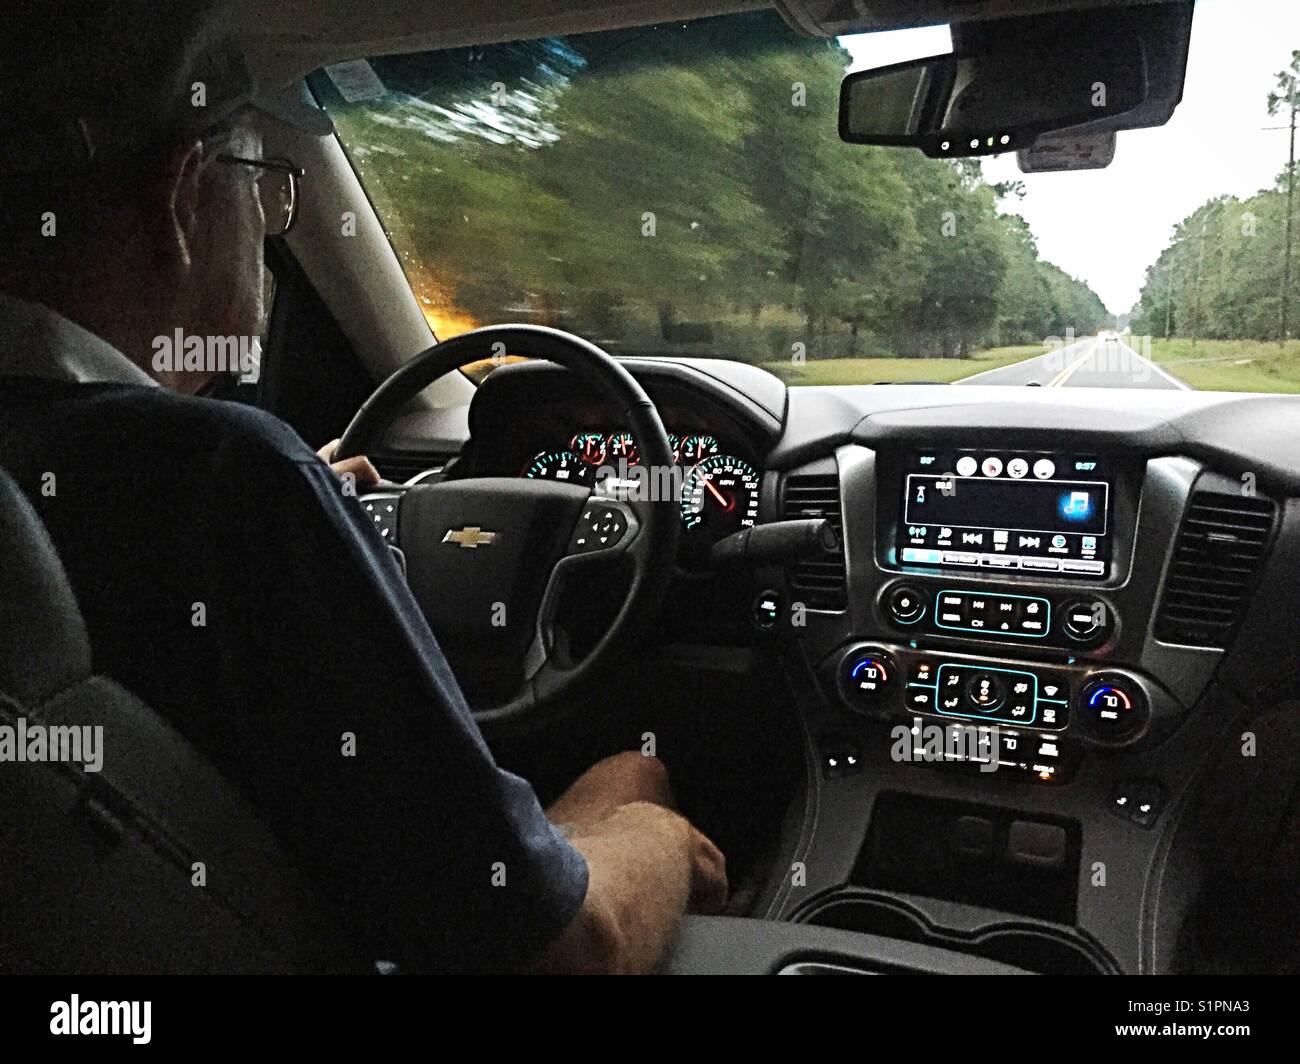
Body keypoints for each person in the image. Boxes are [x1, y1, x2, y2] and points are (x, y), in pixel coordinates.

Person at [0, 2, 725, 974]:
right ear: (181, 197)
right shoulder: (225, 481)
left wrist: (313, 512)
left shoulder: (184, 488)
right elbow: (561, 955)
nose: (265, 219)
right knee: (630, 773)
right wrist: (658, 830)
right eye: (260, 181)